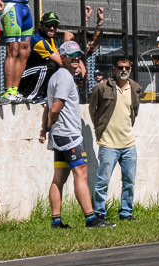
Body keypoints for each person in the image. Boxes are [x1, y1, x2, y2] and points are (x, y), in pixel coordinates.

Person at [38, 41, 114, 229]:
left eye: (78, 55)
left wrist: (45, 129)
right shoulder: (65, 77)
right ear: (62, 58)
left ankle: (56, 221)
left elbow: (48, 106)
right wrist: (49, 124)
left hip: (59, 136)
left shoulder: (55, 77)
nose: (76, 58)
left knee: (59, 178)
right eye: (71, 55)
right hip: (69, 135)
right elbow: (54, 108)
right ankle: (91, 219)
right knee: (81, 173)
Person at [89, 54, 143, 222]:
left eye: (127, 68)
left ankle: (126, 212)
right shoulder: (102, 87)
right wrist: (100, 130)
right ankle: (99, 212)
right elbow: (93, 110)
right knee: (103, 181)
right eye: (120, 67)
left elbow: (134, 111)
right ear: (114, 69)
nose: (124, 70)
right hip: (108, 143)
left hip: (129, 144)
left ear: (131, 69)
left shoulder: (135, 88)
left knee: (129, 181)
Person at [18, 11, 64, 103]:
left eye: (54, 26)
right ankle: (30, 96)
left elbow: (59, 57)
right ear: (40, 25)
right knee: (50, 66)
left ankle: (44, 94)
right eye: (48, 25)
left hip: (33, 74)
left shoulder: (50, 40)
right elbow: (61, 62)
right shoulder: (38, 40)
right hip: (23, 77)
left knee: (54, 67)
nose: (52, 28)